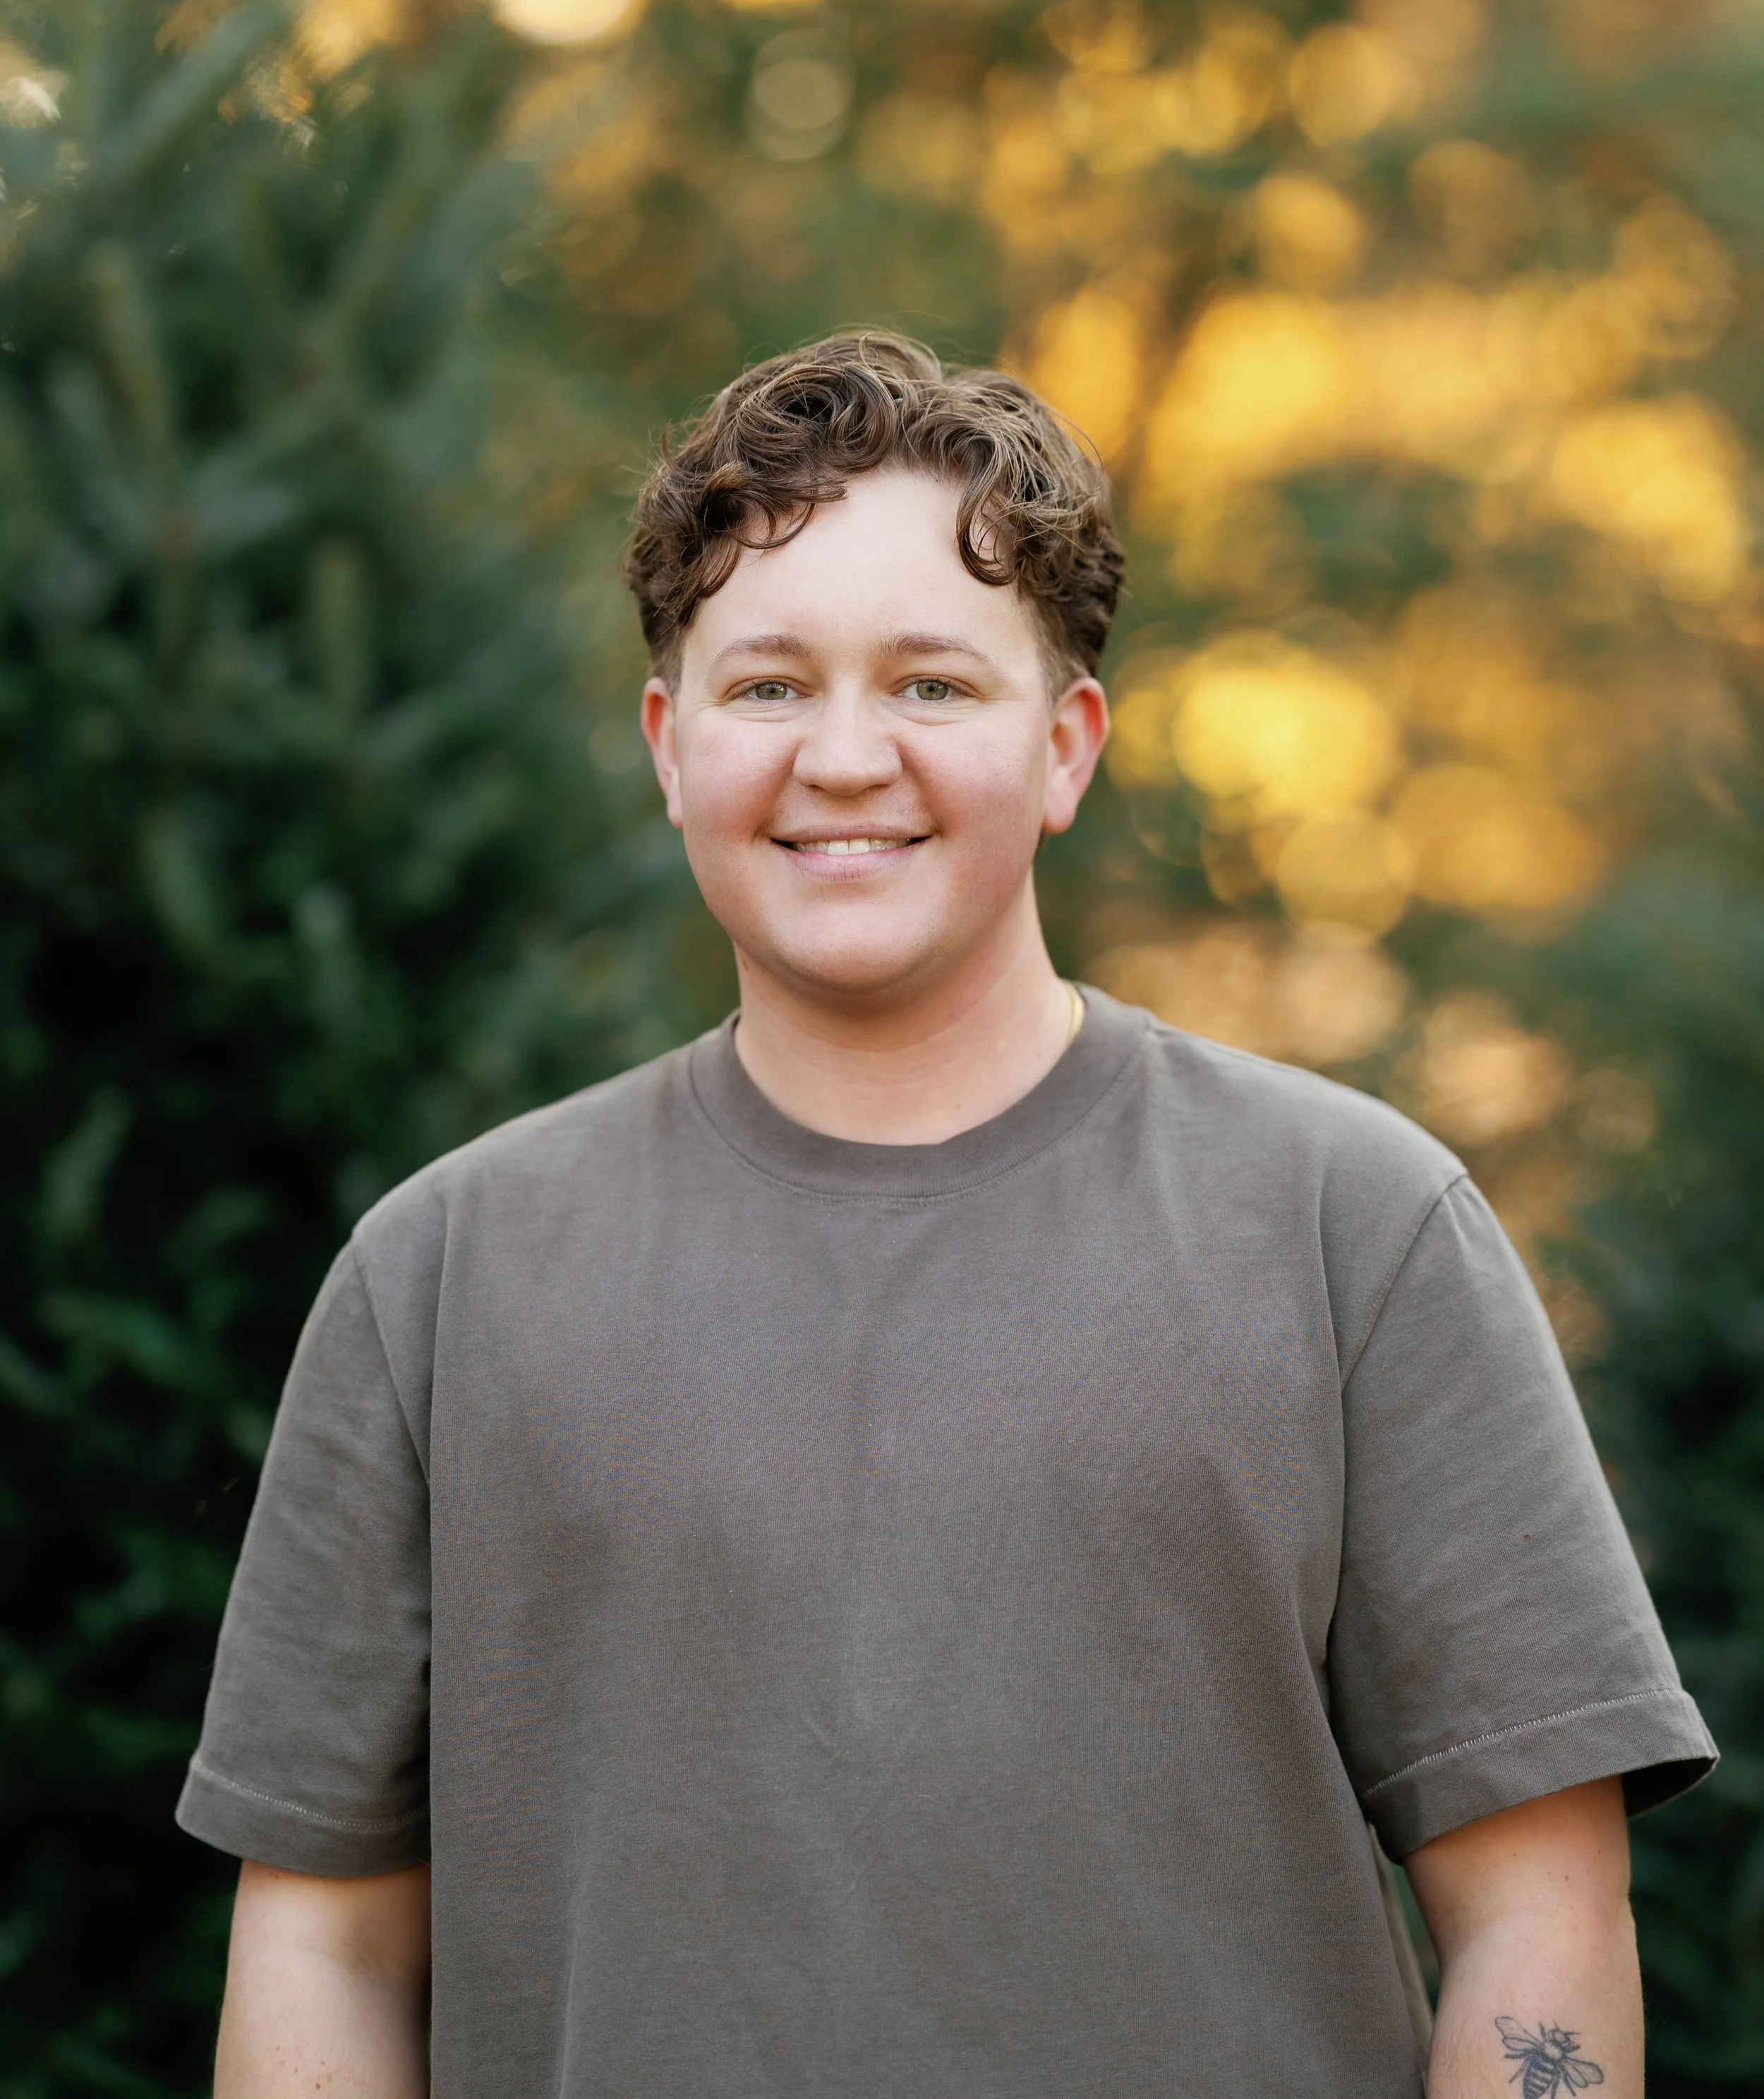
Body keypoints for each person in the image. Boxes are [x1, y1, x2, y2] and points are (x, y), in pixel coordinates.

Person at [179, 332, 1713, 2099]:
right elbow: (324, 1944)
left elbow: (1537, 1921)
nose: (844, 758)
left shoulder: (1350, 1228)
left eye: (931, 685)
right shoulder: (441, 1276)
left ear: (1063, 748)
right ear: (671, 748)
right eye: (767, 688)